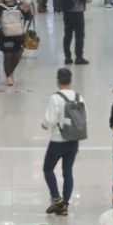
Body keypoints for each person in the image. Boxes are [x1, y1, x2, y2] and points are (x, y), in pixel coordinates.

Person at [41, 68, 84, 216]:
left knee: (48, 168)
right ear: (70, 81)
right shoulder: (79, 97)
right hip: (73, 141)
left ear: (58, 81)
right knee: (68, 172)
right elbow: (86, 118)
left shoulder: (55, 98)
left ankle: (55, 197)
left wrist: (44, 125)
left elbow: (49, 120)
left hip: (58, 140)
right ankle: (64, 205)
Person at [0, 0, 31, 85]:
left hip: (18, 35)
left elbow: (28, 17)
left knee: (17, 55)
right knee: (8, 56)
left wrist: (27, 10)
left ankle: (10, 72)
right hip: (4, 36)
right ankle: (8, 76)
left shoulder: (20, 5)